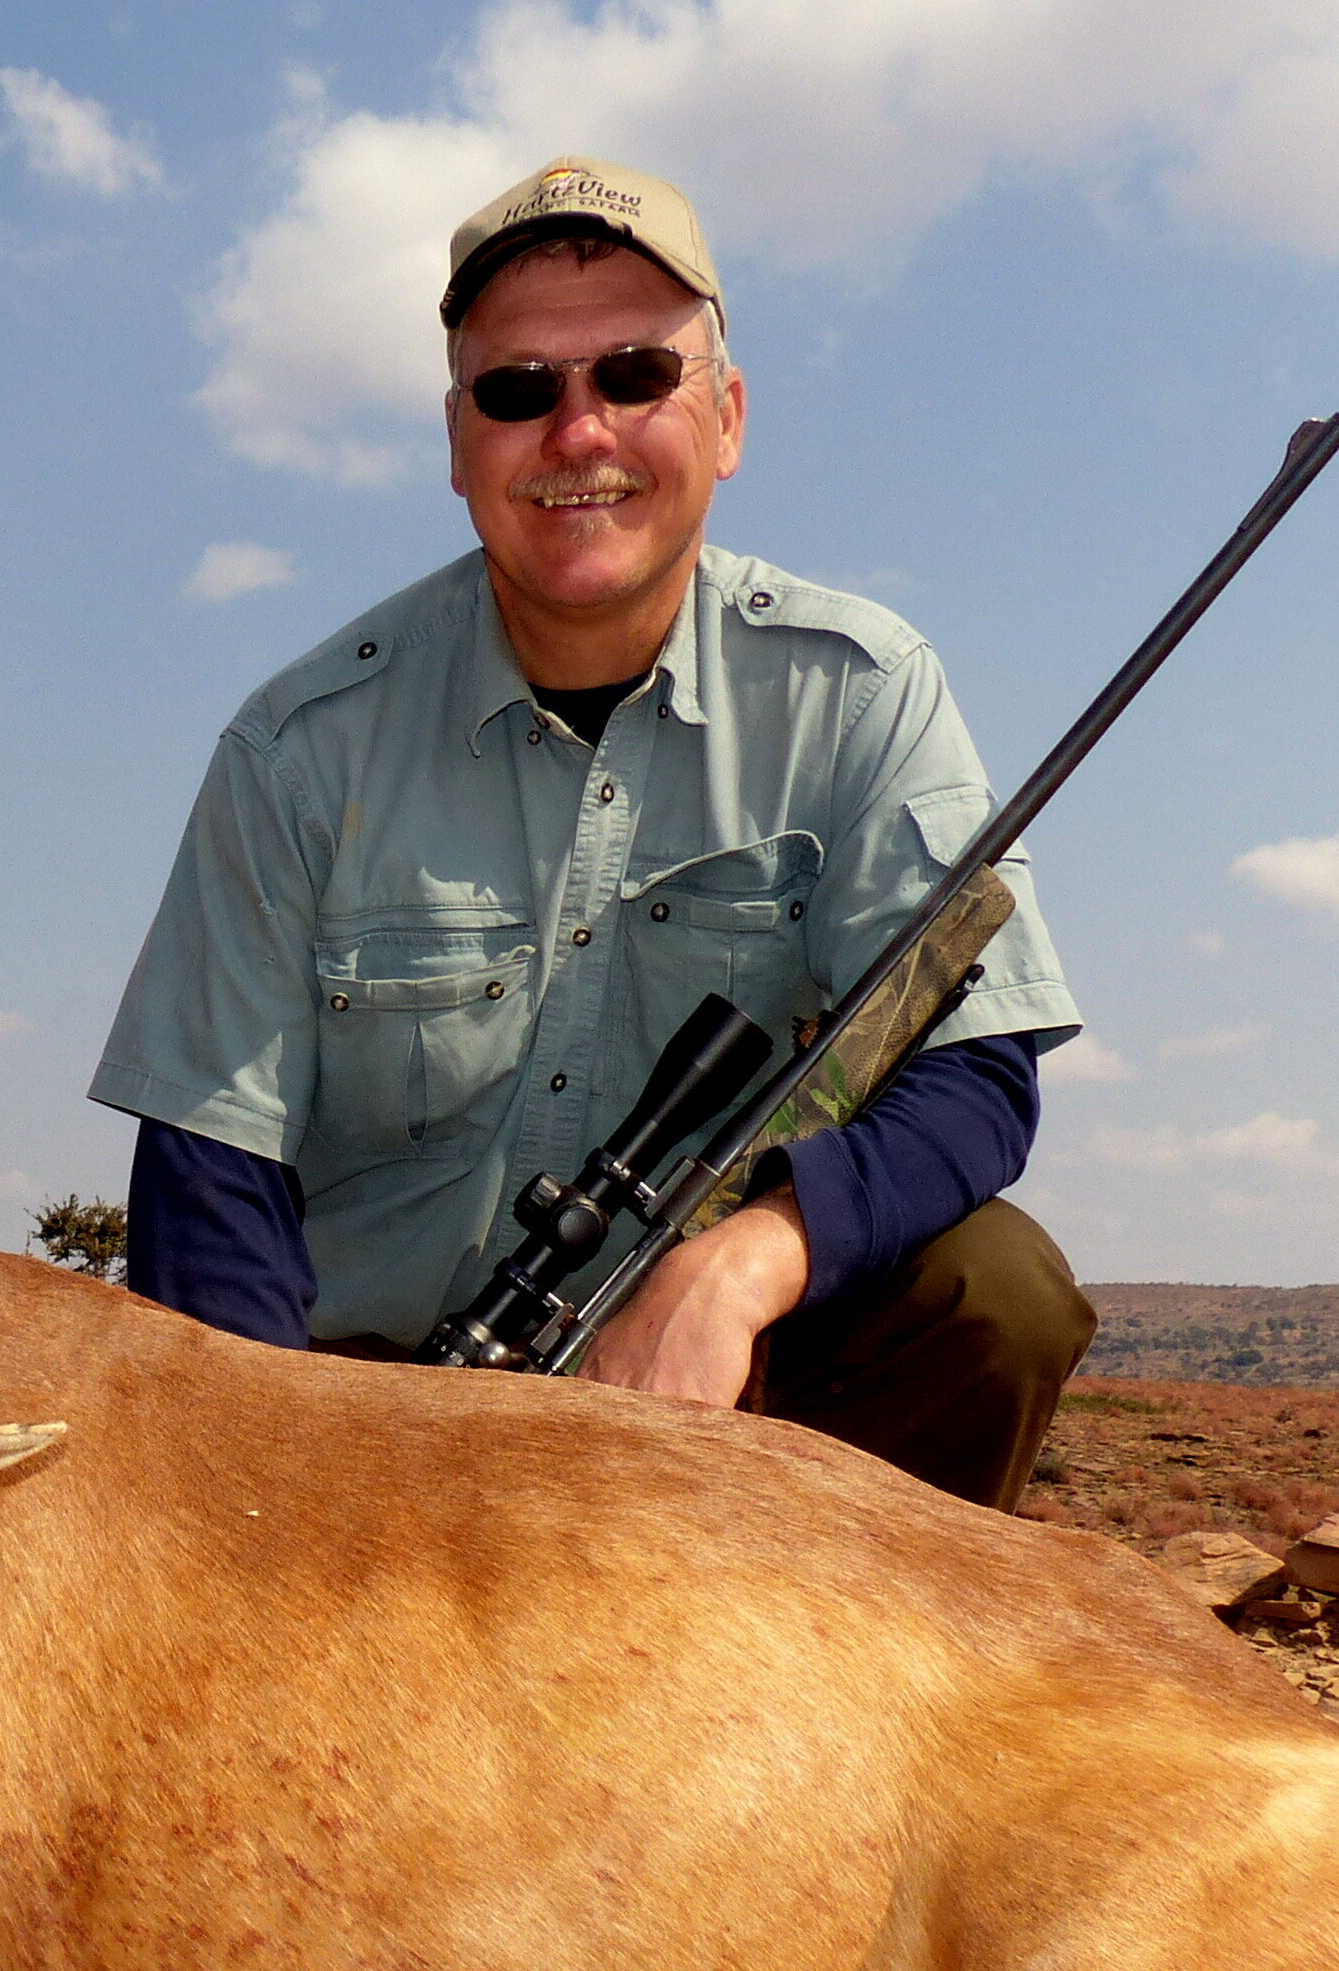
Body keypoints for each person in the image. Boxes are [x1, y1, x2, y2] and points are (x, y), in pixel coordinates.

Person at [90, 156, 1095, 1510]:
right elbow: (211, 1186)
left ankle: (818, 1697)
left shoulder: (858, 687)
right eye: (518, 390)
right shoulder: (296, 748)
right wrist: (281, 1495)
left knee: (998, 1294)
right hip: (378, 1406)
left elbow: (977, 1083)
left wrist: (736, 1265)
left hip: (709, 1377)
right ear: (458, 442)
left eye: (633, 375)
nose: (578, 433)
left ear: (725, 417)